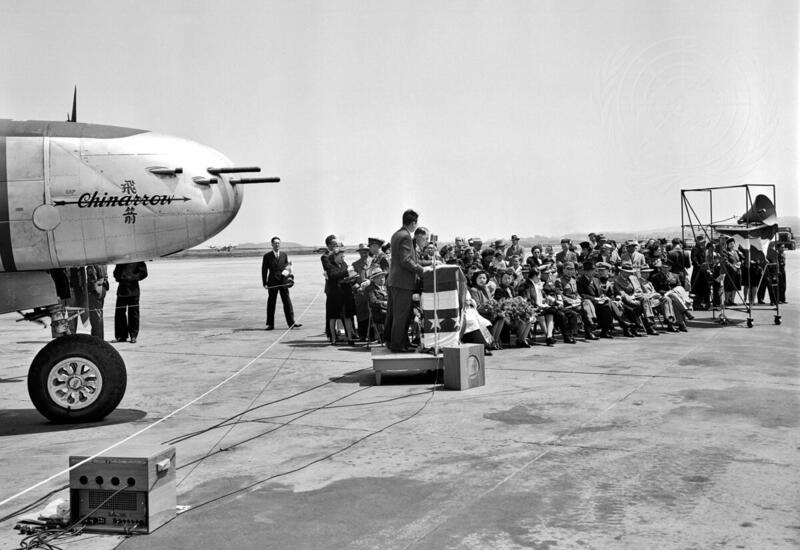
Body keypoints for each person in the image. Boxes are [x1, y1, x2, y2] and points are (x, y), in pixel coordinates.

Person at [385, 209, 428, 352]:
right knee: (402, 315)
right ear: (414, 223)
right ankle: (398, 345)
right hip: (402, 283)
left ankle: (400, 342)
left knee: (397, 314)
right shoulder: (406, 236)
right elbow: (405, 260)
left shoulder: (397, 234)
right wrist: (422, 271)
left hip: (395, 281)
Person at [261, 237, 300, 330]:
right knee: (271, 303)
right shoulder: (267, 256)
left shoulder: (284, 255)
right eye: (275, 243)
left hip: (283, 282)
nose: (277, 245)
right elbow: (264, 270)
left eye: (278, 243)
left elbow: (287, 268)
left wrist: (290, 278)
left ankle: (291, 323)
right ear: (272, 244)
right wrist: (265, 283)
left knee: (287, 302)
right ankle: (270, 324)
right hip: (272, 283)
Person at [113, 261, 147, 343]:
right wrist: (120, 278)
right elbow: (115, 273)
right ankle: (121, 336)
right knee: (119, 314)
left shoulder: (137, 259)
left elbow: (144, 273)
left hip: (133, 290)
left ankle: (133, 336)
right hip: (122, 290)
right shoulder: (121, 260)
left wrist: (133, 277)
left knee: (133, 314)